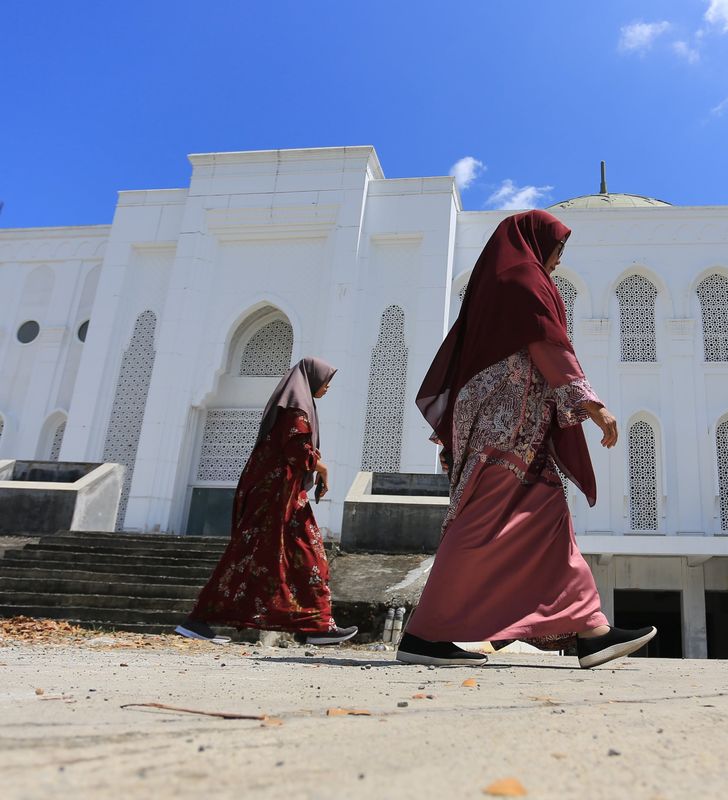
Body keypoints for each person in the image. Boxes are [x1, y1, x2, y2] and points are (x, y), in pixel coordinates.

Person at [396, 209, 656, 668]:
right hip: (506, 435)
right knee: (476, 527)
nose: (558, 261)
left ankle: (590, 628)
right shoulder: (523, 281)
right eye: (557, 250)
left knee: (551, 519)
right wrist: (593, 405)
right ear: (538, 243)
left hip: (521, 435)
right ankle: (423, 635)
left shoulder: (502, 281)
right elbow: (546, 343)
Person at [176, 357, 358, 646]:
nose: (328, 387)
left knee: (262, 558)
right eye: (327, 380)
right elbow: (296, 449)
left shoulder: (296, 404)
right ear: (312, 379)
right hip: (277, 498)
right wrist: (322, 468)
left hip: (278, 495)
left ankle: (312, 625)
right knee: (306, 556)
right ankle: (316, 626)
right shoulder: (296, 408)